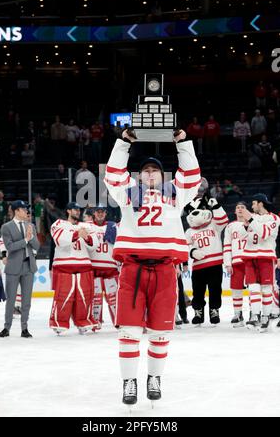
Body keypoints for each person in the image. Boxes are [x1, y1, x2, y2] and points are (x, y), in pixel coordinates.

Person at [104, 127, 201, 406]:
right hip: (133, 269)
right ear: (139, 176)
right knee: (129, 331)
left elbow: (191, 175)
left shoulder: (176, 193)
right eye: (144, 171)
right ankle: (129, 382)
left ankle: (154, 377)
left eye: (154, 171)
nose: (149, 174)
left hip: (164, 270)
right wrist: (124, 142)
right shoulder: (129, 194)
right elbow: (112, 174)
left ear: (162, 176)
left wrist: (182, 142)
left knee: (160, 331)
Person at [49, 202, 99, 335]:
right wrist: (77, 235)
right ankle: (59, 322)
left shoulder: (86, 226)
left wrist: (87, 237)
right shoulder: (59, 223)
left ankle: (83, 321)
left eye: (79, 210)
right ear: (68, 211)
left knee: (85, 297)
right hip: (64, 265)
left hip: (83, 265)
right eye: (75, 210)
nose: (78, 212)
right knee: (63, 296)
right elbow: (59, 240)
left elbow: (94, 245)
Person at [237, 194, 280, 332]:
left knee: (267, 289)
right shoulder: (252, 217)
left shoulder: (274, 218)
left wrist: (249, 219)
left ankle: (266, 316)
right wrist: (244, 223)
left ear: (261, 204)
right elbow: (241, 236)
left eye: (254, 203)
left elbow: (264, 233)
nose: (252, 206)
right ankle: (255, 315)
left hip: (266, 257)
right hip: (249, 256)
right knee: (253, 288)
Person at [0, 200, 40, 338]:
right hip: (13, 266)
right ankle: (7, 327)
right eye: (24, 209)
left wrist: (31, 238)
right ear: (16, 211)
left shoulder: (31, 226)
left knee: (26, 300)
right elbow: (10, 247)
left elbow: (37, 246)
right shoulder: (6, 227)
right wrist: (26, 240)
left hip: (28, 266)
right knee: (11, 299)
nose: (26, 211)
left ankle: (24, 328)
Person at [90, 206, 118, 330]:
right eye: (98, 212)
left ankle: (118, 321)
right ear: (94, 213)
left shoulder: (114, 226)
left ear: (106, 213)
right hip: (94, 268)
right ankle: (95, 321)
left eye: (102, 212)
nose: (100, 214)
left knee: (114, 298)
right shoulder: (87, 226)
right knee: (95, 298)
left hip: (110, 267)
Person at [223, 202, 249, 327]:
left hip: (250, 260)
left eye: (242, 207)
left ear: (246, 210)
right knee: (236, 289)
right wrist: (228, 263)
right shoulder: (230, 226)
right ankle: (238, 314)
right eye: (237, 207)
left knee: (254, 289)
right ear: (234, 211)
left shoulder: (253, 222)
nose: (240, 209)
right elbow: (227, 245)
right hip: (236, 262)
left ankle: (254, 313)